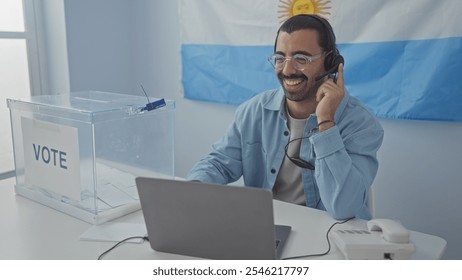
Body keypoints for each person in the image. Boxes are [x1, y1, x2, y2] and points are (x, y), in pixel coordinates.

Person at [186, 14, 384, 220]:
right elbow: (218, 163)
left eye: (301, 59)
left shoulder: (361, 124)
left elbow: (344, 209)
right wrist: (193, 189)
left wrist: (325, 122)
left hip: (331, 237)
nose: (287, 70)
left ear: (330, 63)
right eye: (280, 58)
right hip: (266, 229)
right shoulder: (255, 110)